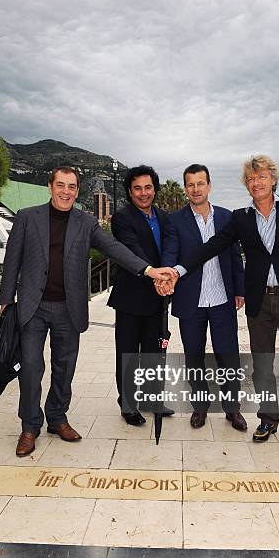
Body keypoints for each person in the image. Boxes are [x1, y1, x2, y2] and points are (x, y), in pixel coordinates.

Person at [0, 166, 176, 456]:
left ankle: (57, 418)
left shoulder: (86, 222)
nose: (65, 191)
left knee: (64, 368)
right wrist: (6, 300)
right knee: (31, 368)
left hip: (69, 308)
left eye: (71, 186)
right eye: (60, 185)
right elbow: (12, 260)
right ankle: (30, 426)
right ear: (50, 186)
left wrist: (148, 270)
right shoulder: (28, 217)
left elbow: (114, 249)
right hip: (33, 306)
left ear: (77, 191)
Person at [157, 155, 279, 451]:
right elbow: (211, 247)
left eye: (261, 177)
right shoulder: (240, 218)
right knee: (262, 366)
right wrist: (177, 271)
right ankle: (268, 420)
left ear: (273, 179)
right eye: (250, 179)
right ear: (245, 185)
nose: (256, 183)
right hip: (259, 302)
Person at [161, 164, 247, 430]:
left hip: (222, 298)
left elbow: (235, 256)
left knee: (228, 355)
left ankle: (233, 409)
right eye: (190, 184)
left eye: (201, 183)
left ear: (209, 185)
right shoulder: (175, 220)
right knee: (194, 356)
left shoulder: (227, 217)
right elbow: (171, 253)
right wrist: (166, 275)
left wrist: (240, 289)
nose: (196, 189)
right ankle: (200, 407)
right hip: (191, 301)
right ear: (186, 188)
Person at [107, 165, 175, 425]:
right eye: (138, 188)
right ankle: (128, 405)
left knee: (154, 353)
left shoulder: (165, 217)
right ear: (129, 191)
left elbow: (171, 246)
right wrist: (156, 275)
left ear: (154, 189)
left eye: (148, 187)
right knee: (128, 354)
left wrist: (166, 274)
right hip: (130, 299)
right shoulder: (122, 219)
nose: (143, 193)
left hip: (158, 299)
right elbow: (133, 252)